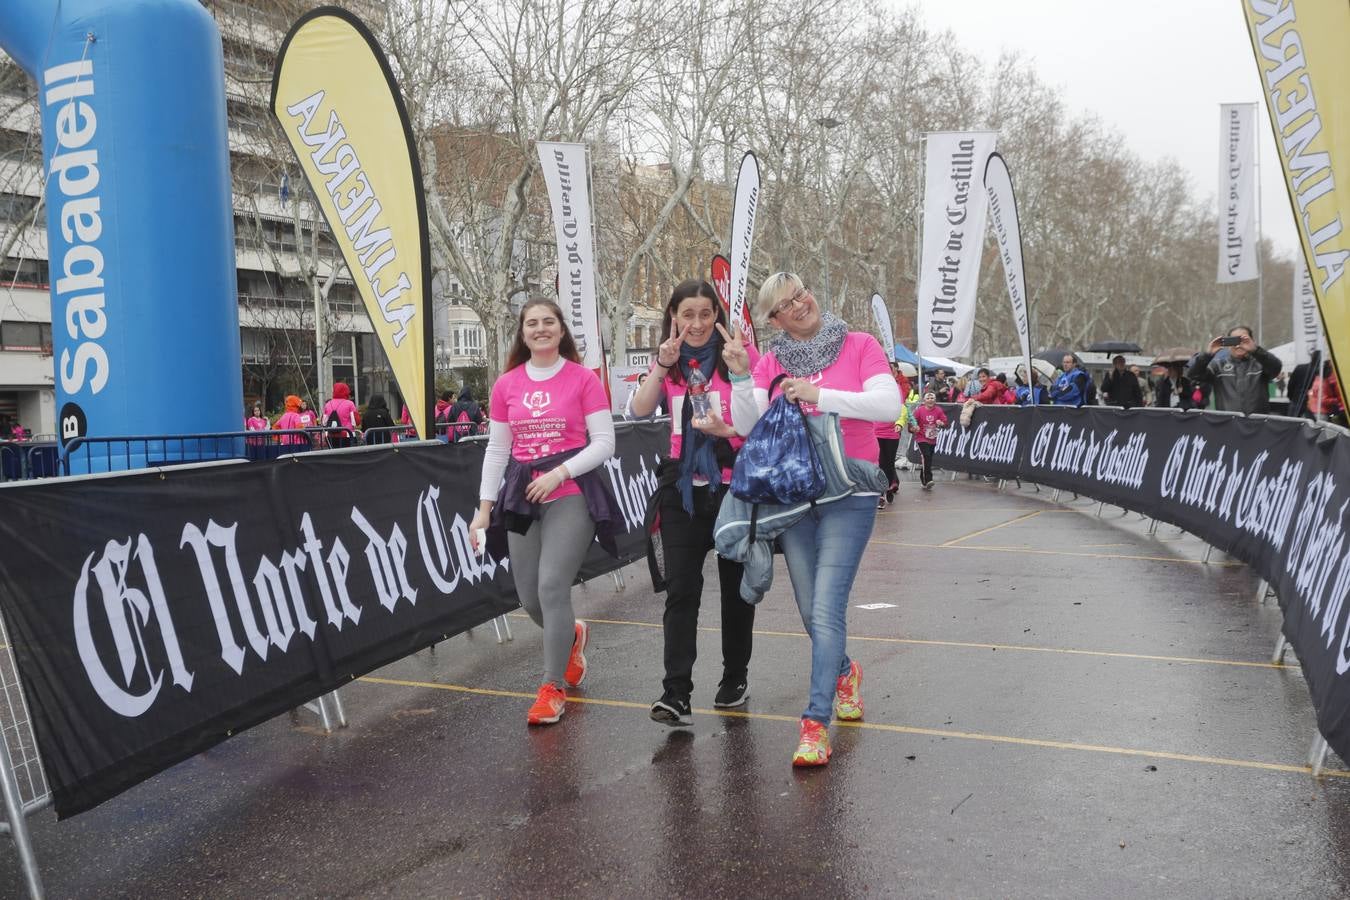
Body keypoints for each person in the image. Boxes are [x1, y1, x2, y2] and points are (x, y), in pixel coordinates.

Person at [729, 273, 901, 767]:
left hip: (850, 490)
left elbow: (888, 406)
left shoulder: (859, 344)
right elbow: (747, 426)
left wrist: (818, 396)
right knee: (809, 610)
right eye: (786, 304)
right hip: (796, 497)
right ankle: (844, 671)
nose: (799, 305)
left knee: (826, 608)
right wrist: (743, 376)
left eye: (801, 293)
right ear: (775, 320)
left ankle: (814, 723)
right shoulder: (772, 359)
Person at [469, 298, 617, 726]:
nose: (540, 329)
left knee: (553, 587)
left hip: (571, 491)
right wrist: (483, 511)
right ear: (523, 332)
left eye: (548, 322)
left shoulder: (583, 379)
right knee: (530, 598)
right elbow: (497, 449)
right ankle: (571, 635)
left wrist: (559, 473)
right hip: (520, 496)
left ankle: (552, 687)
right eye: (531, 323)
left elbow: (605, 442)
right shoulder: (506, 385)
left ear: (561, 329)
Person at [628, 279, 758, 726]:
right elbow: (639, 410)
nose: (698, 323)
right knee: (681, 591)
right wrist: (662, 368)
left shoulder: (739, 357)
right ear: (674, 318)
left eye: (706, 314)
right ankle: (675, 693)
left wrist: (740, 372)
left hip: (732, 489)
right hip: (681, 490)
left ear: (717, 317)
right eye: (688, 315)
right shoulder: (669, 364)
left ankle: (734, 677)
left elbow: (752, 424)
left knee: (735, 592)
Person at [1185, 325, 1282, 414]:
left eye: (1243, 340)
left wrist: (1256, 350)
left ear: (1252, 341)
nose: (1238, 345)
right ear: (1228, 343)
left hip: (1257, 425)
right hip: (1228, 424)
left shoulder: (1260, 364)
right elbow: (1194, 375)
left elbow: (1276, 368)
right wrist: (1208, 354)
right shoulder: (1218, 366)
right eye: (1234, 340)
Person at [909, 390, 950, 488]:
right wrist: (914, 428)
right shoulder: (919, 410)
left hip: (932, 438)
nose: (930, 400)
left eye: (932, 398)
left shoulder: (938, 410)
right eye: (928, 398)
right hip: (921, 438)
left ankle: (923, 479)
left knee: (928, 458)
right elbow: (911, 423)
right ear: (924, 400)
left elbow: (945, 422)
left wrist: (942, 423)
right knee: (926, 456)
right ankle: (928, 479)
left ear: (935, 400)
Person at [323, 382, 360, 447]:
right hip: (347, 435)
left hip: (331, 436)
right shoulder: (350, 404)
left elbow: (324, 422)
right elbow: (356, 422)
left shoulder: (328, 404)